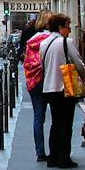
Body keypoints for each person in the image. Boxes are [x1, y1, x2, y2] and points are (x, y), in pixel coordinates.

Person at [38, 12, 85, 168]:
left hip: (48, 88)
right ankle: (64, 158)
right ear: (60, 28)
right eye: (68, 27)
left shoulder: (43, 44)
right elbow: (79, 63)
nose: (69, 30)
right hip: (65, 87)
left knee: (55, 123)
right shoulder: (66, 42)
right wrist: (83, 73)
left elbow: (41, 64)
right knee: (66, 123)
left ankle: (53, 157)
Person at [21, 13, 53, 161]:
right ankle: (55, 151)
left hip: (35, 82)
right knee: (57, 118)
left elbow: (26, 62)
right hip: (50, 81)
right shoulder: (52, 39)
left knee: (38, 118)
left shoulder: (32, 40)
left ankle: (40, 152)